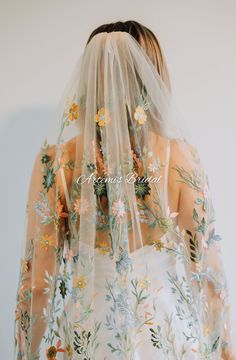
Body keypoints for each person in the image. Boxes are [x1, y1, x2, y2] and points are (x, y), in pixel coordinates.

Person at [14, 20, 235, 359]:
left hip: (88, 337)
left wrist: (25, 353)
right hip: (164, 336)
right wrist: (225, 351)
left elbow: (38, 286)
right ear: (153, 78)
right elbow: (209, 278)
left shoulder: (57, 163)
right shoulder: (177, 157)